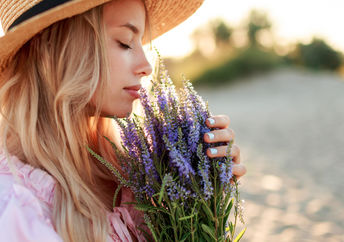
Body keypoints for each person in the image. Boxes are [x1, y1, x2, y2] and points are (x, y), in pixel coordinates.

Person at [0, 0, 246, 241]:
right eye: (125, 43)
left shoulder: (134, 174)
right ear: (51, 49)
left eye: (142, 43)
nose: (147, 66)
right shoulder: (16, 211)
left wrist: (204, 195)